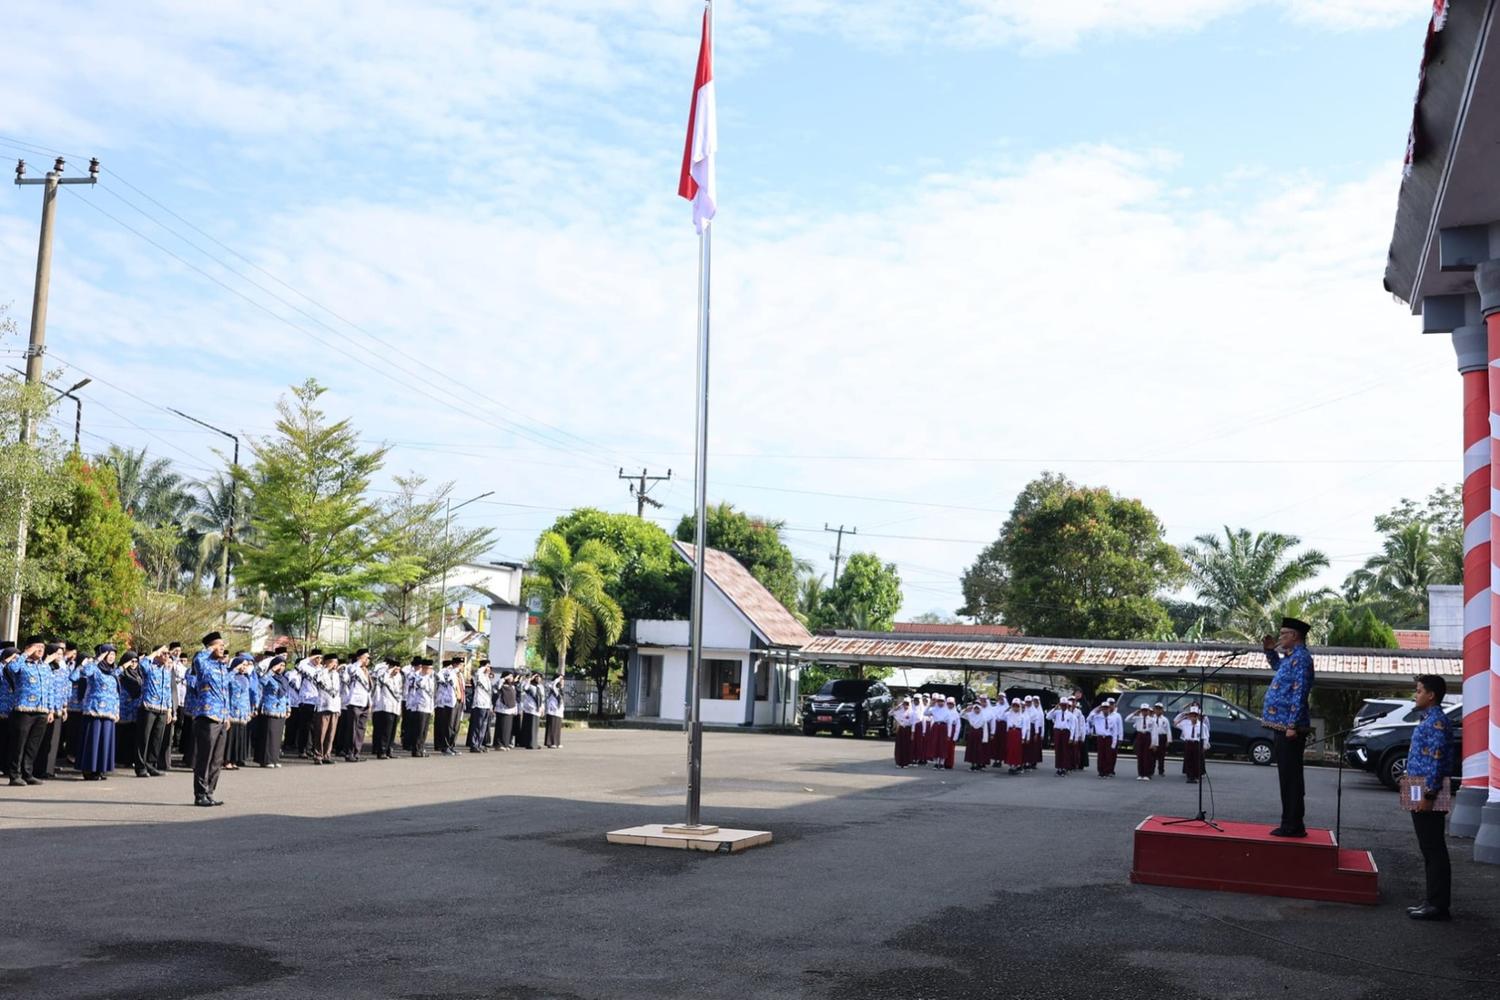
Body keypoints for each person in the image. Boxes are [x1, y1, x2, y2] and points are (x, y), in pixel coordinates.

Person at [1405, 674, 1455, 921]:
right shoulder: (1427, 719)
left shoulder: (1436, 722)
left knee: (1433, 847)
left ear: (1431, 695)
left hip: (1428, 789)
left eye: (1419, 690)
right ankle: (1431, 900)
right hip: (1417, 786)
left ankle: (1437, 904)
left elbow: (1435, 760)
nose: (1416, 695)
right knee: (1427, 847)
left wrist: (1429, 794)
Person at [1262, 616, 1315, 837]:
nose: (1280, 637)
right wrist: (1268, 651)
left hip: (1289, 727)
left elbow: (1300, 693)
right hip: (1281, 725)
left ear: (1294, 636)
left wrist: (1292, 724)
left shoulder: (1302, 658)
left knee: (1291, 776)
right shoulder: (1290, 657)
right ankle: (1289, 822)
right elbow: (1277, 666)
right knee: (1286, 775)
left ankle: (1293, 824)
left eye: (1283, 634)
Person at [185, 631, 232, 807]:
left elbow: (225, 693)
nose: (223, 648)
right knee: (204, 757)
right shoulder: (203, 662)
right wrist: (210, 649)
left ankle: (210, 792)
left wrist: (227, 716)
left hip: (221, 717)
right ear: (211, 646)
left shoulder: (221, 667)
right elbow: (197, 660)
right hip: (207, 716)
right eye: (220, 645)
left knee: (217, 759)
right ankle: (200, 794)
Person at [6, 637, 56, 786]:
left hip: (41, 710)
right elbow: (11, 669)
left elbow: (50, 689)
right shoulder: (21, 664)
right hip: (24, 709)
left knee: (33, 745)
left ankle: (28, 773)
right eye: (36, 646)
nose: (40, 649)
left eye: (42, 646)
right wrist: (25, 654)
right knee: (19, 744)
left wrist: (51, 709)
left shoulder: (45, 667)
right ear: (28, 647)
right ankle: (15, 775)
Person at [72, 645, 123, 781]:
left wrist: (117, 710)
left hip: (109, 712)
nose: (111, 657)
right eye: (109, 654)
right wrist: (96, 659)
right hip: (94, 709)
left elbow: (116, 693)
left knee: (105, 741)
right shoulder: (94, 668)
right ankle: (89, 770)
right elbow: (84, 673)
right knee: (93, 741)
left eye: (113, 655)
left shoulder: (113, 672)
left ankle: (101, 769)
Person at [134, 645, 173, 777]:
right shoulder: (150, 668)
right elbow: (142, 663)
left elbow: (168, 691)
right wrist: (155, 652)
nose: (167, 656)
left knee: (157, 739)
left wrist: (169, 710)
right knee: (144, 738)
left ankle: (151, 764)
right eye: (164, 653)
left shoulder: (167, 671)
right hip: (148, 707)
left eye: (168, 654)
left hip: (162, 709)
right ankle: (140, 767)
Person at [253, 655, 293, 767]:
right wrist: (271, 671)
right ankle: (266, 760)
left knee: (278, 736)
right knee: (268, 734)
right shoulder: (268, 676)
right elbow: (260, 684)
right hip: (269, 708)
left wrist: (288, 707)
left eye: (284, 665)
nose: (282, 667)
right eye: (280, 664)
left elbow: (287, 695)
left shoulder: (284, 679)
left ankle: (275, 759)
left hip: (281, 710)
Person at [224, 654, 259, 769]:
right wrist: (233, 670)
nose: (244, 667)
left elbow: (248, 696)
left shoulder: (246, 678)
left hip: (243, 711)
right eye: (242, 665)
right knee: (230, 736)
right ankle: (226, 760)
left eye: (246, 665)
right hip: (232, 709)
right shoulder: (230, 675)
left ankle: (235, 760)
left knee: (239, 737)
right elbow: (224, 683)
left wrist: (250, 710)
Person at [338, 649, 372, 762]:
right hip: (355, 702)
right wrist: (358, 662)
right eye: (366, 657)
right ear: (360, 658)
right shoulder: (352, 667)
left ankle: (357, 752)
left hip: (365, 702)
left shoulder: (365, 670)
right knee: (352, 729)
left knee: (361, 728)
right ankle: (349, 752)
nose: (368, 660)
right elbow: (349, 673)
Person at [309, 653, 342, 765]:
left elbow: (338, 691)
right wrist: (326, 668)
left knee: (331, 733)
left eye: (336, 663)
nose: (335, 665)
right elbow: (317, 679)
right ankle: (318, 755)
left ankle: (327, 755)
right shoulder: (320, 672)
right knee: (321, 732)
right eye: (333, 662)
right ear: (327, 662)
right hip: (323, 706)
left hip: (335, 706)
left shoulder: (336, 675)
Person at [370, 658, 403, 759]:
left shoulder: (399, 677)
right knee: (385, 730)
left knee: (392, 730)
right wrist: (389, 672)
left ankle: (389, 749)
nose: (397, 669)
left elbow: (400, 690)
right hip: (385, 706)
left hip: (395, 706)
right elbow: (382, 680)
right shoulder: (384, 674)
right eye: (395, 667)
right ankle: (382, 751)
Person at [403, 660, 435, 757]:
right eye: (430, 668)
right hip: (419, 706)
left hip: (427, 706)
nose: (431, 670)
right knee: (419, 730)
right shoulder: (417, 678)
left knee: (424, 731)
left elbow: (432, 694)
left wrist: (432, 707)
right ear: (425, 668)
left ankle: (420, 748)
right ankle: (416, 750)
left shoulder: (429, 678)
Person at [434, 659, 462, 756]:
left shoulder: (457, 674)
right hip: (446, 702)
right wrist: (448, 671)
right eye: (456, 665)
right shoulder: (443, 673)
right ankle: (445, 747)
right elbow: (441, 679)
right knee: (447, 726)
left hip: (455, 701)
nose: (459, 666)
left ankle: (450, 746)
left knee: (454, 726)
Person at [1175, 704, 1209, 783]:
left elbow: (1205, 736)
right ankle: (1190, 776)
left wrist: (1204, 746)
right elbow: (1175, 723)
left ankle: (1196, 776)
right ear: (1189, 716)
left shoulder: (1201, 725)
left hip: (1197, 743)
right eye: (1191, 715)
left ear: (1197, 716)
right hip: (1188, 742)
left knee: (1196, 760)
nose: (1193, 718)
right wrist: (1184, 715)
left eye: (1195, 716)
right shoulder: (1185, 723)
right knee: (1188, 759)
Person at [467, 661, 495, 753]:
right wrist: (484, 667)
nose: (489, 669)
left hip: (486, 704)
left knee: (484, 726)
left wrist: (491, 705)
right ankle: (474, 745)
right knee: (477, 725)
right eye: (488, 667)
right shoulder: (478, 676)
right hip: (479, 704)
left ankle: (479, 744)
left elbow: (490, 693)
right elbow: (478, 672)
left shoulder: (487, 679)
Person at [1093, 700, 1123, 778]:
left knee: (1108, 755)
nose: (1105, 710)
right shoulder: (1098, 717)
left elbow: (1116, 730)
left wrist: (1115, 741)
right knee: (1101, 755)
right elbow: (1090, 718)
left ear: (1109, 708)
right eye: (1104, 708)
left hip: (1109, 738)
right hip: (1101, 737)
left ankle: (1107, 771)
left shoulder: (1113, 718)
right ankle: (1101, 771)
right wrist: (1097, 710)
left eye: (1107, 708)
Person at [493, 670, 519, 750]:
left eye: (512, 677)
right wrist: (505, 678)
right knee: (501, 727)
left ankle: (505, 744)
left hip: (510, 710)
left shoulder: (512, 686)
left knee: (507, 729)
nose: (511, 678)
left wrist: (515, 709)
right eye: (509, 676)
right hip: (502, 709)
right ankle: (499, 744)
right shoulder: (502, 685)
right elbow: (497, 685)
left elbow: (514, 698)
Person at [1127, 706, 1155, 780]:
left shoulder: (1152, 720)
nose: (1144, 712)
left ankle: (1147, 774)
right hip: (1140, 735)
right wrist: (1135, 713)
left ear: (1148, 711)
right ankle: (1140, 774)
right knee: (1140, 756)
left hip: (1147, 735)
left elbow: (1154, 732)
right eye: (1143, 710)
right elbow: (1127, 719)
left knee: (1147, 756)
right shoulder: (1138, 718)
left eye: (1146, 710)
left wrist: (1154, 743)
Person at [1047, 697, 1073, 776]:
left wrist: (1071, 737)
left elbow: (1072, 727)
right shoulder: (1056, 712)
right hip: (1058, 731)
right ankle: (1058, 767)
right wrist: (1054, 709)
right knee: (1058, 750)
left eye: (1065, 705)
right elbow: (1048, 717)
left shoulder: (1070, 715)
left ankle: (1064, 767)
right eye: (1062, 705)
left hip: (1065, 732)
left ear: (1067, 705)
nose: (1063, 707)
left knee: (1065, 750)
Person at [890, 697, 915, 768]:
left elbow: (913, 724)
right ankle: (898, 762)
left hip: (908, 730)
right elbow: (890, 713)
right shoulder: (900, 711)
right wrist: (898, 706)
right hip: (901, 729)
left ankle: (905, 763)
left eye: (907, 704)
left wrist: (913, 733)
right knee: (899, 746)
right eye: (904, 704)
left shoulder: (912, 712)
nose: (905, 706)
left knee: (906, 746)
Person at [544, 673, 565, 749]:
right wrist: (556, 680)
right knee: (552, 726)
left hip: (558, 711)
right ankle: (551, 742)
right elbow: (552, 686)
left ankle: (557, 742)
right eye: (561, 679)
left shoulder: (560, 690)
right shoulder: (553, 688)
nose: (562, 681)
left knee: (557, 727)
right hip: (553, 710)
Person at [1150, 702, 1170, 777]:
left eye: (1160, 709)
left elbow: (1168, 730)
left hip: (1162, 737)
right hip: (1154, 737)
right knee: (1153, 755)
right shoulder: (1152, 718)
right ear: (1154, 710)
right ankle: (1151, 770)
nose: (1158, 711)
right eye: (1157, 709)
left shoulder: (1165, 719)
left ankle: (1161, 771)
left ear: (1162, 710)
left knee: (1161, 755)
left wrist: (1168, 740)